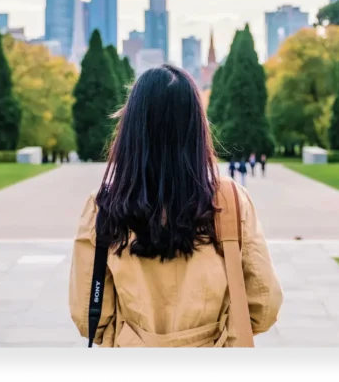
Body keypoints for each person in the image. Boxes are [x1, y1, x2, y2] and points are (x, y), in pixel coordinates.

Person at [70, 64, 282, 348]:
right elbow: (264, 307)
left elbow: (88, 316)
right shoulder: (230, 202)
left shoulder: (104, 206)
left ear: (131, 127)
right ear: (197, 127)